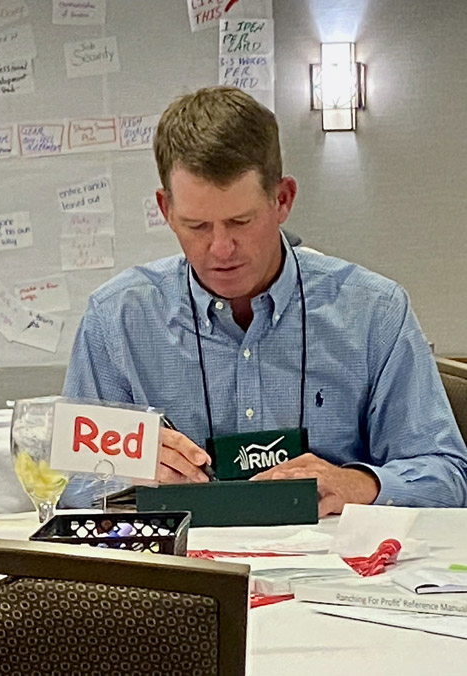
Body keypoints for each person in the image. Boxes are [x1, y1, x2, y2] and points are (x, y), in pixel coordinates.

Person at [62, 86, 467, 515]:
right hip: (184, 554)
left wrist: (357, 483)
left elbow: (447, 476)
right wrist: (126, 473)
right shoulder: (117, 319)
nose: (221, 249)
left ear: (282, 200)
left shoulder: (374, 312)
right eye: (197, 226)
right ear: (166, 210)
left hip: (335, 552)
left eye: (241, 221)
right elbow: (70, 485)